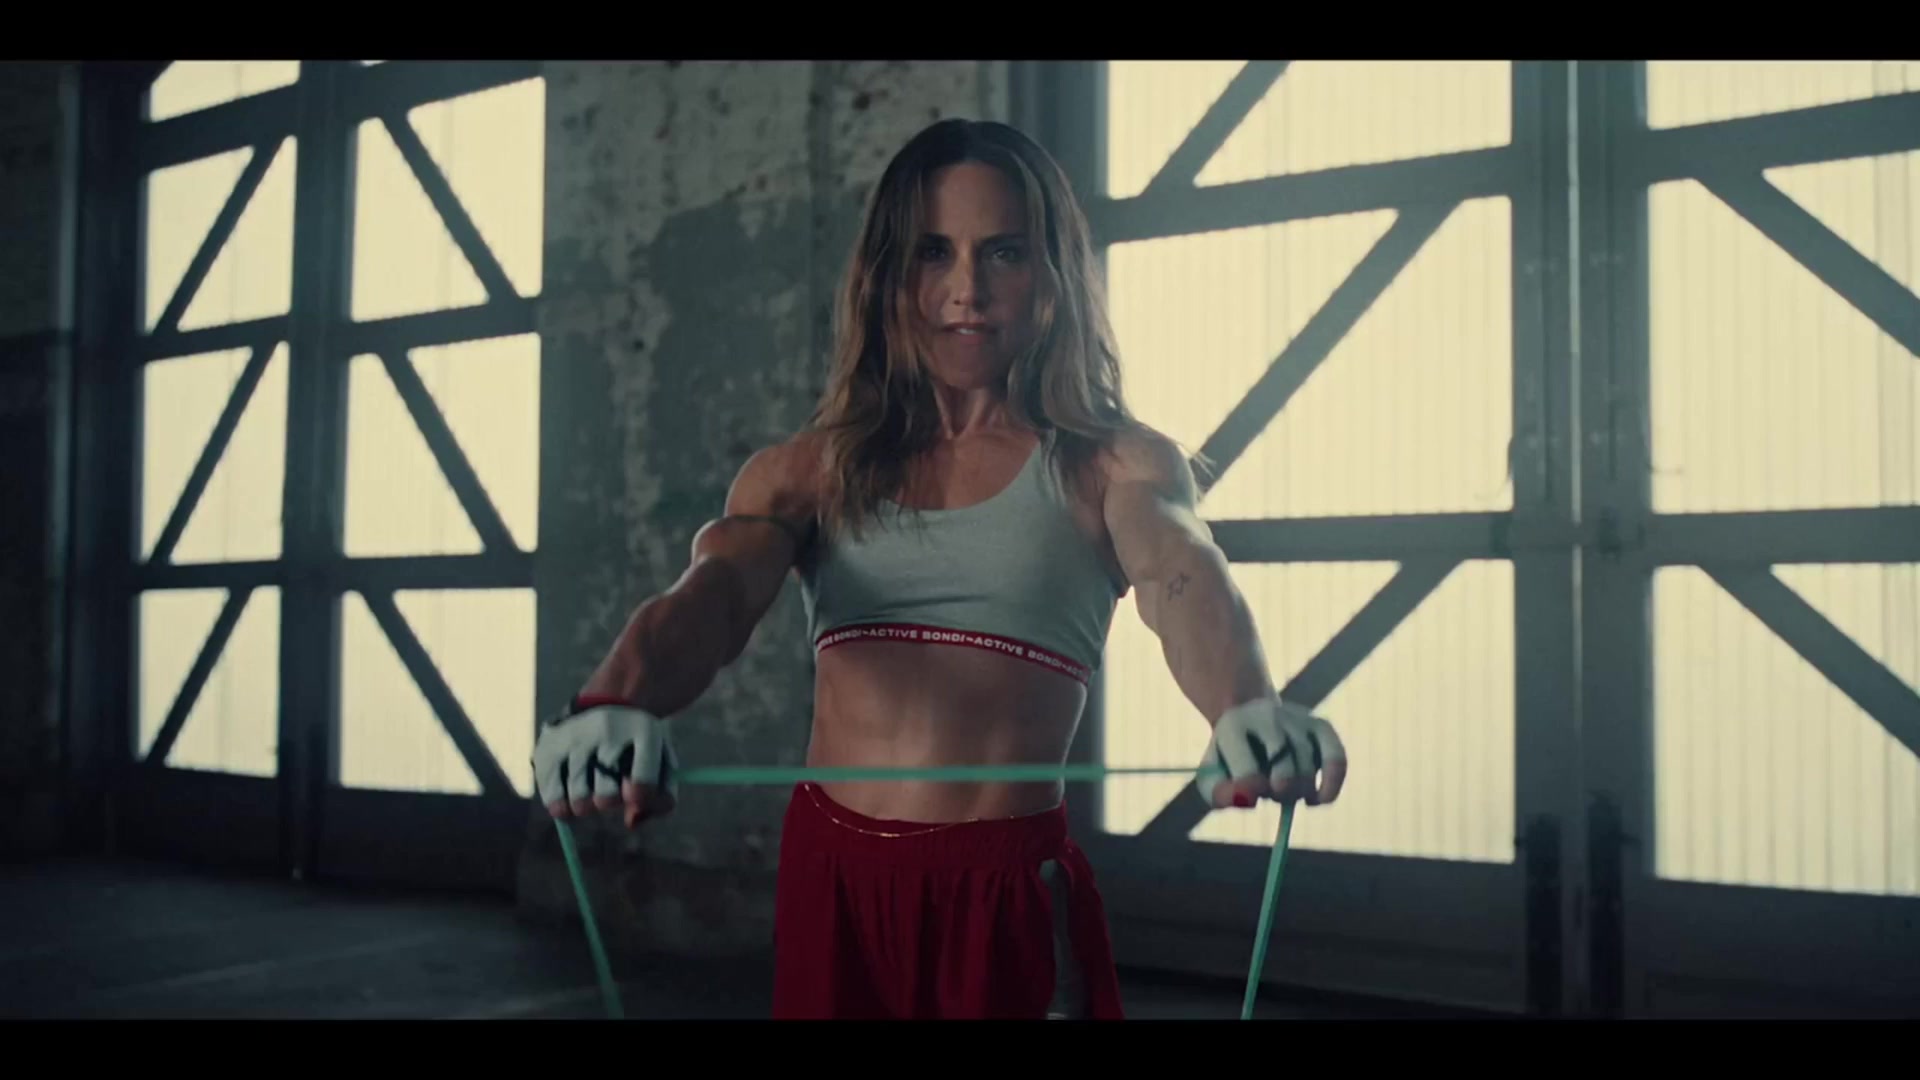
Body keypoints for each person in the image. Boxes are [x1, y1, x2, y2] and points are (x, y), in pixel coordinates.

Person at [533, 117, 1349, 1020]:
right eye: (933, 253)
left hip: (1000, 895)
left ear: (1052, 272)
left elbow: (1178, 572)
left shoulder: (1114, 464)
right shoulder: (807, 471)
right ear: (887, 275)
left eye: (1004, 253)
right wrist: (613, 700)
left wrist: (1244, 705)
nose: (967, 291)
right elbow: (716, 593)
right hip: (835, 884)